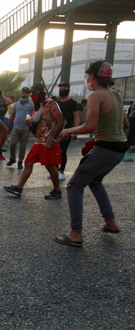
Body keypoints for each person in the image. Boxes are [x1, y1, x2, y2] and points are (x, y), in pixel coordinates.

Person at [54, 61, 129, 247]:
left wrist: (68, 131)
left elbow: (90, 126)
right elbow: (125, 125)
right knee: (95, 181)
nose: (87, 79)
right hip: (119, 147)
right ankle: (110, 223)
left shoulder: (96, 95)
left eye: (88, 76)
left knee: (74, 186)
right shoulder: (116, 94)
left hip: (105, 147)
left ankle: (76, 233)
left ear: (93, 77)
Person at [3, 83, 65, 199]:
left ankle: (57, 190)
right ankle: (19, 188)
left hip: (47, 140)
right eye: (32, 94)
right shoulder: (36, 106)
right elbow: (35, 122)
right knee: (28, 162)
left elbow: (60, 121)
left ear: (41, 92)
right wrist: (29, 124)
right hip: (39, 139)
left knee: (50, 166)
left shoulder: (50, 103)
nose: (32, 96)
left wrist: (52, 136)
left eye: (34, 93)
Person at [55, 82, 81, 180]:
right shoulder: (57, 102)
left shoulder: (72, 103)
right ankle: (56, 169)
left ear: (68, 89)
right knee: (54, 150)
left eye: (64, 88)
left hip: (67, 129)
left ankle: (61, 171)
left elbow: (76, 117)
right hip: (56, 129)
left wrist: (76, 130)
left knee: (62, 150)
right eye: (61, 88)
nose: (62, 90)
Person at [6, 87, 34, 170]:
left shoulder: (32, 104)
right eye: (23, 93)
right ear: (21, 94)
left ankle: (20, 162)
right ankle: (12, 159)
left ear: (29, 94)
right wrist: (7, 127)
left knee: (22, 146)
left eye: (26, 93)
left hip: (26, 129)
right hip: (16, 127)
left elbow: (34, 115)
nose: (24, 94)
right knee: (12, 144)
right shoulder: (16, 104)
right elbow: (12, 116)